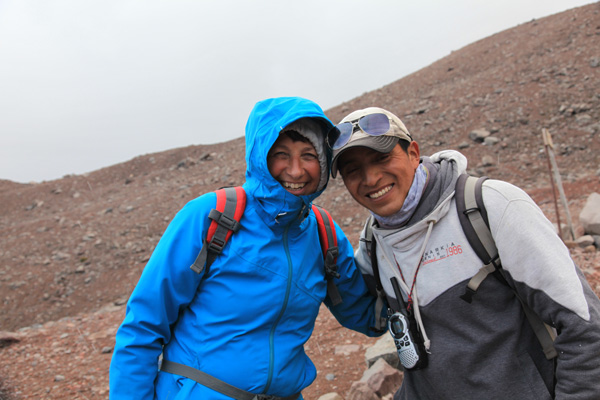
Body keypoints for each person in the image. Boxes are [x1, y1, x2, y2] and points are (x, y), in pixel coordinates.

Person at [109, 97, 383, 399]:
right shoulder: (212, 216)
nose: (296, 170)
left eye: (308, 155)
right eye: (280, 154)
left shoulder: (322, 232)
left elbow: (367, 315)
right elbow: (144, 326)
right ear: (259, 156)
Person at [329, 106, 600, 399]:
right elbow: (360, 311)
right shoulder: (374, 241)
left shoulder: (490, 206)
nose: (370, 179)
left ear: (413, 153)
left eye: (382, 158)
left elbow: (585, 330)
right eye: (352, 170)